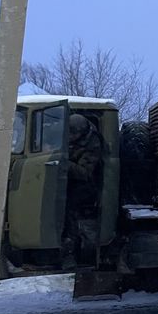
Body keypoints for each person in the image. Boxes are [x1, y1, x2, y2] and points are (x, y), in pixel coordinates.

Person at [62, 114, 103, 268]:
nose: (69, 137)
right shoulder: (70, 136)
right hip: (69, 182)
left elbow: (85, 173)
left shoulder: (93, 145)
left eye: (72, 134)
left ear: (80, 133)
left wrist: (64, 163)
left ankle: (70, 254)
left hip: (85, 187)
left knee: (70, 213)